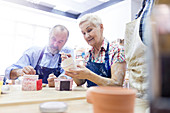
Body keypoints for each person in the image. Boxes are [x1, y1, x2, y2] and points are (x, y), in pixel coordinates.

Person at [62, 14, 126, 87]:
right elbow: (80, 82)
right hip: (92, 96)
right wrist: (70, 66)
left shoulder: (116, 50)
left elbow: (117, 84)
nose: (87, 36)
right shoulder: (88, 55)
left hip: (110, 97)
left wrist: (89, 75)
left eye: (89, 30)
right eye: (84, 33)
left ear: (101, 27)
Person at [5, 25, 73, 85]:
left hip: (57, 95)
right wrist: (20, 71)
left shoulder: (67, 53)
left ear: (65, 41)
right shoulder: (34, 52)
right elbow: (8, 72)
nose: (55, 44)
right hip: (33, 94)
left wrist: (60, 80)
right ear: (49, 36)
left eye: (60, 41)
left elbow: (70, 74)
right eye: (53, 39)